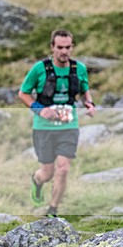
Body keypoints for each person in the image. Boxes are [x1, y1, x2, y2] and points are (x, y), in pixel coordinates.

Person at [17, 29, 96, 217]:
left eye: (68, 47)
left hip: (69, 126)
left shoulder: (79, 69)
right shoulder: (39, 69)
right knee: (47, 173)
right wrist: (40, 109)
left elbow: (85, 90)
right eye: (60, 47)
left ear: (72, 47)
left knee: (63, 168)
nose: (64, 51)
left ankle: (52, 210)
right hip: (43, 127)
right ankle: (36, 182)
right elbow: (23, 93)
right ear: (52, 47)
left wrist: (89, 103)